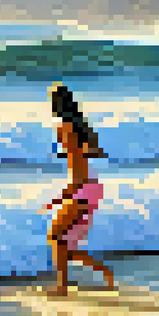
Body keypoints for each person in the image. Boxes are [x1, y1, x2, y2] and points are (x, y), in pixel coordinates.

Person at [42, 83, 115, 297]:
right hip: (92, 187)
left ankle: (62, 287)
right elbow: (94, 155)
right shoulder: (83, 127)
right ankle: (103, 271)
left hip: (82, 187)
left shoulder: (66, 127)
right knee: (64, 243)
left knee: (56, 237)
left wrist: (66, 194)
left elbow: (76, 167)